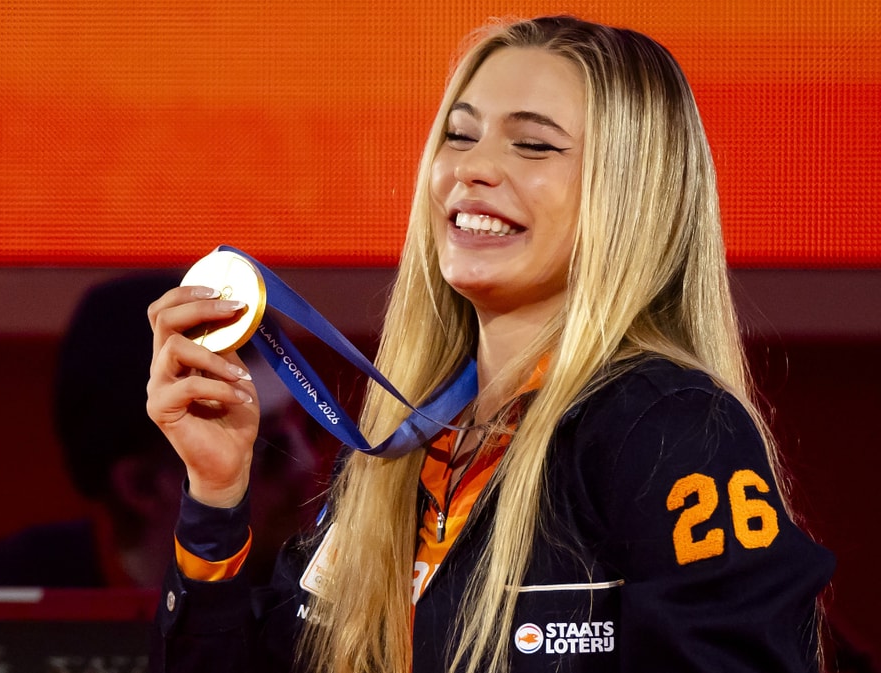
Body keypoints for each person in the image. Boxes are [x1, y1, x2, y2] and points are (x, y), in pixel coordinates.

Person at [144, 15, 834, 673]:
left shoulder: (670, 431)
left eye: (532, 144)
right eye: (458, 135)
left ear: (630, 192)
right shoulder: (397, 457)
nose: (472, 169)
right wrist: (216, 497)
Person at [0, 272, 321, 589]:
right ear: (141, 485)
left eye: (308, 426)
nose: (307, 462)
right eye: (269, 447)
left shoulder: (322, 593)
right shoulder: (4, 599)